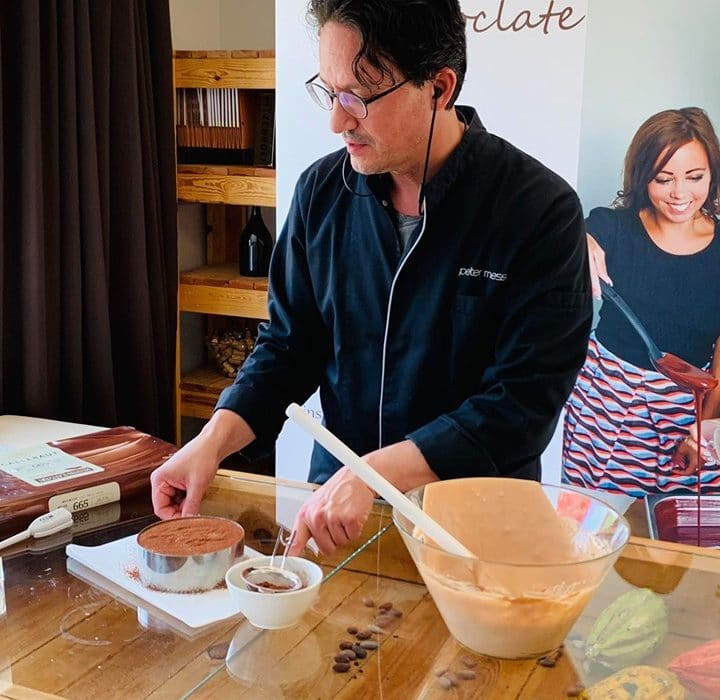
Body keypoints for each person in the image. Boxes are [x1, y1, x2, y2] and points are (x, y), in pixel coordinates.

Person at [151, 0, 592, 555]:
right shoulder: (321, 194)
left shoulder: (539, 211)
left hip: (472, 530)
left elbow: (520, 405)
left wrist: (373, 474)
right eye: (330, 92)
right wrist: (211, 441)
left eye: (358, 97)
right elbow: (288, 348)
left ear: (439, 87)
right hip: (334, 519)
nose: (337, 121)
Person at [562, 107, 720, 497]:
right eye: (663, 179)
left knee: (676, 523)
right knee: (595, 516)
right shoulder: (614, 226)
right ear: (642, 176)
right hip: (605, 400)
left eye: (695, 177)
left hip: (688, 404)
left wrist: (704, 428)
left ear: (712, 174)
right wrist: (579, 242)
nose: (680, 193)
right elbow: (578, 237)